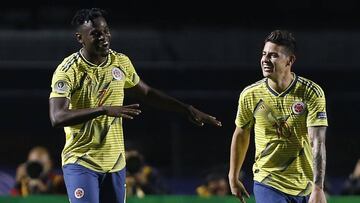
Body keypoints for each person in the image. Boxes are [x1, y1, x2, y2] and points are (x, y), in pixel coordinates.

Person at [48, 8, 222, 203]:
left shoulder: (120, 62)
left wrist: (186, 108)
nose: (104, 37)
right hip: (81, 161)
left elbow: (146, 92)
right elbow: (57, 117)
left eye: (106, 31)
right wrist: (103, 109)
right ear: (80, 38)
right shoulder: (68, 70)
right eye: (95, 34)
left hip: (115, 163)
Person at [228, 30, 328, 203]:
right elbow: (241, 134)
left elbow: (317, 142)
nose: (265, 60)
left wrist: (318, 188)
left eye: (273, 55)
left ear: (290, 60)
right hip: (267, 181)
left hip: (305, 185)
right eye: (264, 54)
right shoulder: (250, 94)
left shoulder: (311, 92)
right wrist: (233, 175)